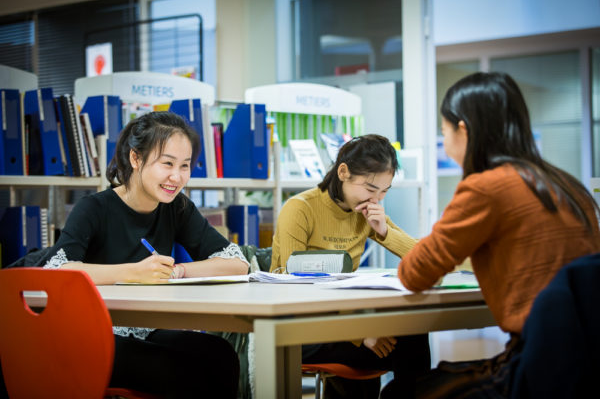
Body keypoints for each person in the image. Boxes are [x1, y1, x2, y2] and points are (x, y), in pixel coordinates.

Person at [396, 72, 600, 398]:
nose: (445, 144)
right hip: (584, 365)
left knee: (402, 391)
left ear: (463, 130)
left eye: (444, 131)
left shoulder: (486, 187)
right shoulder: (568, 186)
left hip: (536, 366)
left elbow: (414, 273)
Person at [40, 112, 248, 398]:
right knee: (185, 371)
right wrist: (132, 272)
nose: (177, 177)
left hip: (144, 330)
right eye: (167, 164)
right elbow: (56, 271)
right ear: (136, 159)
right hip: (90, 335)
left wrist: (178, 271)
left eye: (184, 166)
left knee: (220, 355)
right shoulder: (94, 208)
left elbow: (236, 263)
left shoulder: (176, 207)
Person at [270, 134, 431, 399]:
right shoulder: (300, 208)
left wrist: (383, 231)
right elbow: (292, 285)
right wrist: (358, 333)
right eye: (370, 189)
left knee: (413, 330)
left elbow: (424, 257)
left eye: (384, 191)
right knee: (393, 349)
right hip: (300, 325)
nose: (376, 199)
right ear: (343, 172)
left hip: (344, 322)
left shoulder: (366, 213)